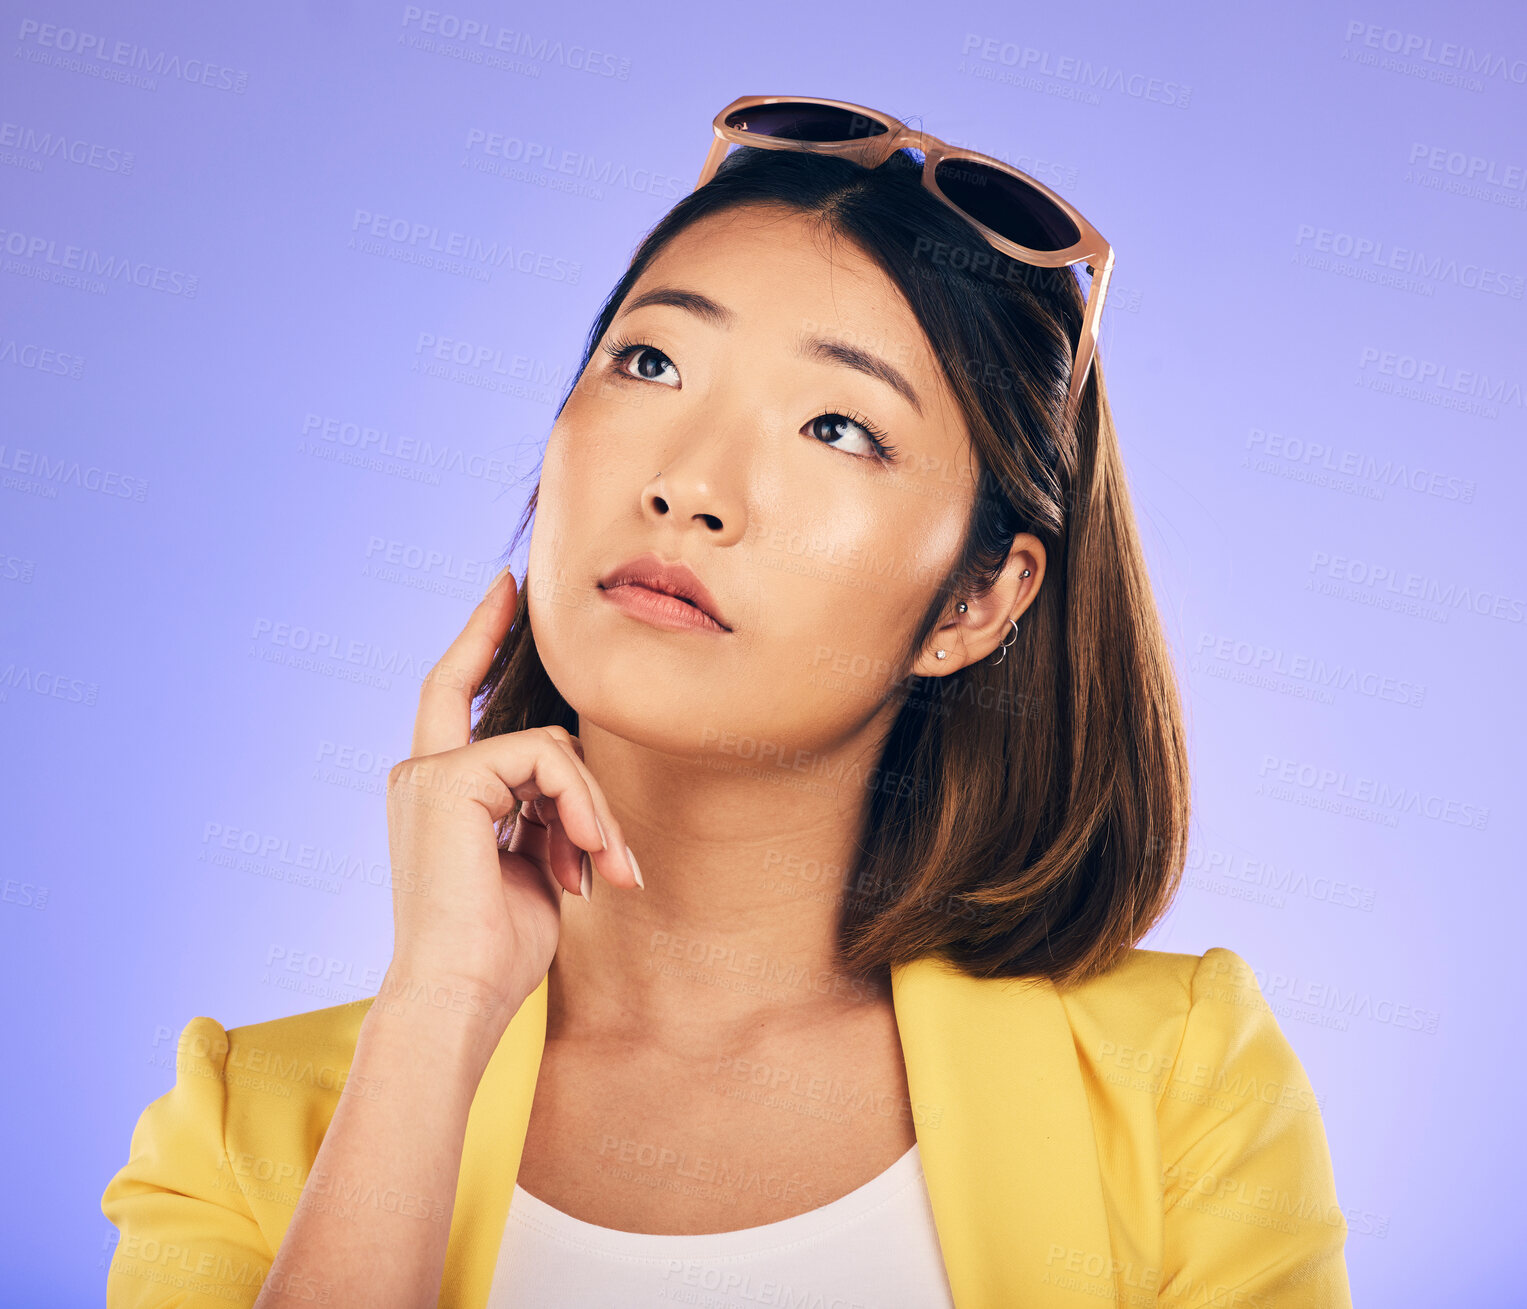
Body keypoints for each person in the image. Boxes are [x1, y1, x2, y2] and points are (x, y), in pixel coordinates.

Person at [102, 97, 1353, 1308]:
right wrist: (435, 1011)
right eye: (651, 361)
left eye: (837, 427)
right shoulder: (243, 1124)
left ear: (976, 601)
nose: (691, 484)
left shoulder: (1178, 1079)